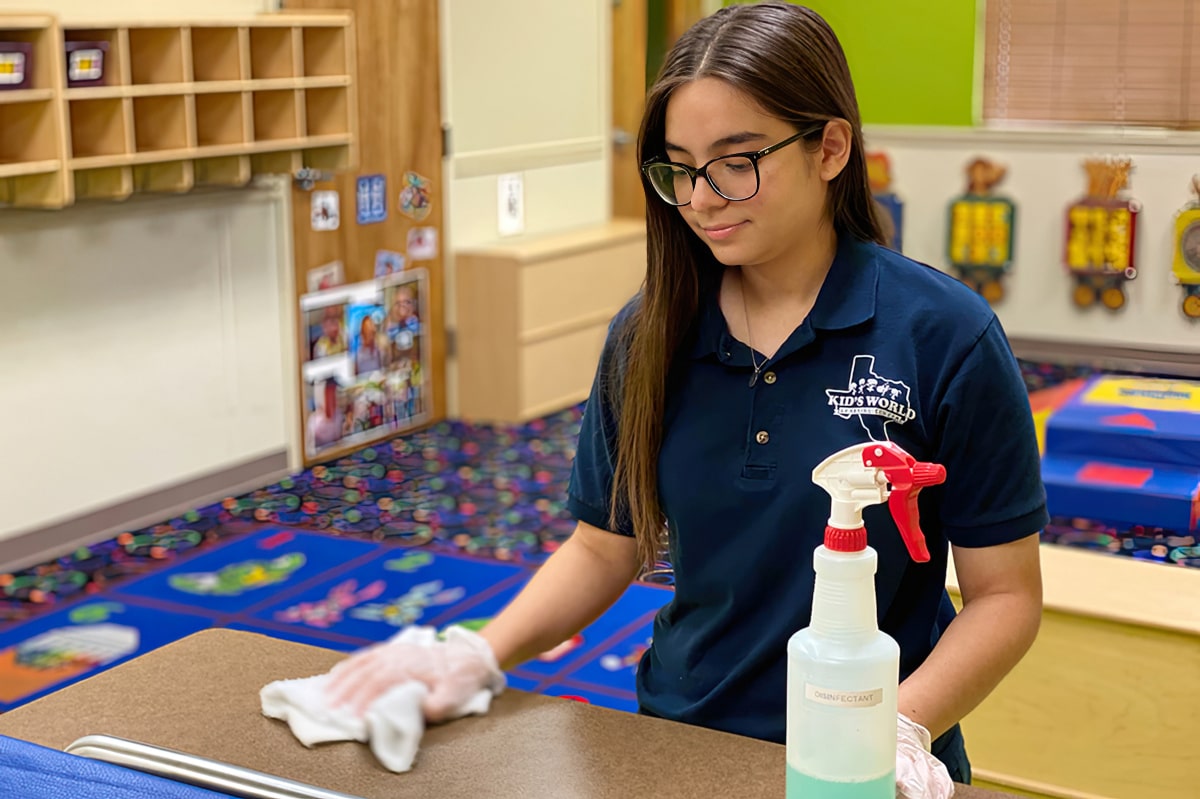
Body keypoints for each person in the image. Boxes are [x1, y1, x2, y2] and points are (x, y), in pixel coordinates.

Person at [326, 3, 1045, 795]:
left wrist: (899, 725)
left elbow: (1004, 596)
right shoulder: (650, 333)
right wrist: (476, 653)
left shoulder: (945, 334)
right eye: (679, 167)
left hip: (872, 756)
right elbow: (605, 545)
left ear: (830, 147)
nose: (701, 198)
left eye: (737, 161)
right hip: (679, 742)